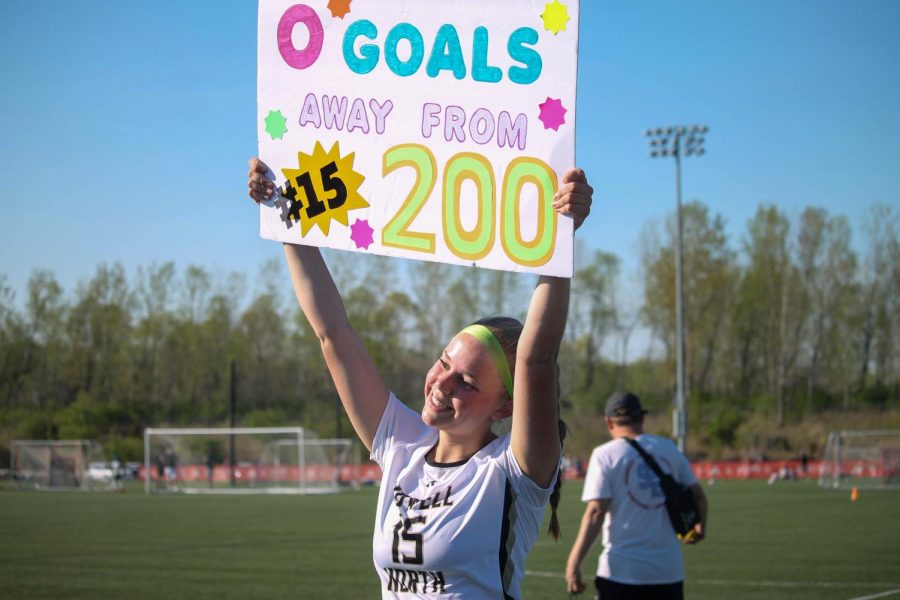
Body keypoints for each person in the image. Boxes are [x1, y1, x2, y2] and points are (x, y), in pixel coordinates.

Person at [248, 157, 592, 598]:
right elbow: (332, 332)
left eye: (467, 383)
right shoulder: (402, 447)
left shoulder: (513, 471)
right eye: (444, 362)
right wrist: (285, 213)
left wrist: (563, 233)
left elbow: (536, 360)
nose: (442, 384)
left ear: (506, 406)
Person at [565, 391, 708, 599]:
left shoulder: (605, 454)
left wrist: (573, 563)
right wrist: (700, 528)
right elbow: (699, 496)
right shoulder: (669, 449)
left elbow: (596, 513)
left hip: (621, 571)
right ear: (641, 417)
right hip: (668, 572)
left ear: (609, 422)